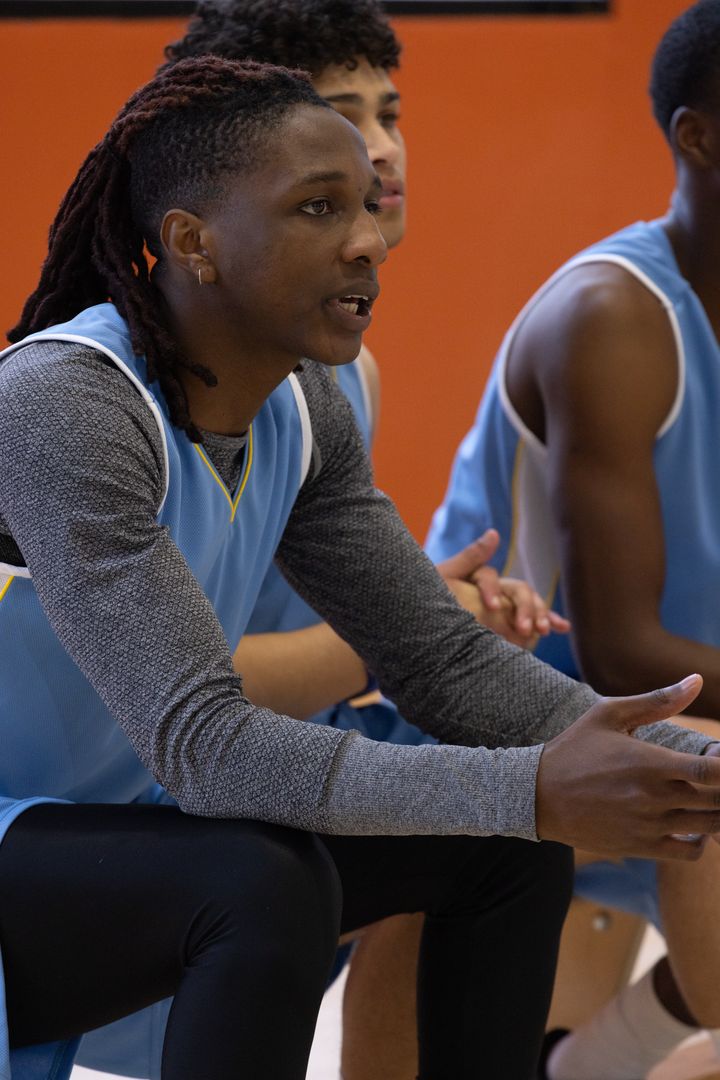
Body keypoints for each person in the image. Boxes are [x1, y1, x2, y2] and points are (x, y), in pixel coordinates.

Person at [2, 49, 719, 1080]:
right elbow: (205, 743)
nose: (369, 242)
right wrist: (532, 788)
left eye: (368, 208)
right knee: (263, 876)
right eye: (316, 209)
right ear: (192, 243)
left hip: (136, 831)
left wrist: (688, 761)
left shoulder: (304, 404)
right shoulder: (67, 403)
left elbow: (446, 664)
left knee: (502, 851)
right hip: (31, 841)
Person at [426, 2, 720, 1077]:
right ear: (699, 136)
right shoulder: (614, 319)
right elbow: (624, 655)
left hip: (680, 713)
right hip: (495, 712)